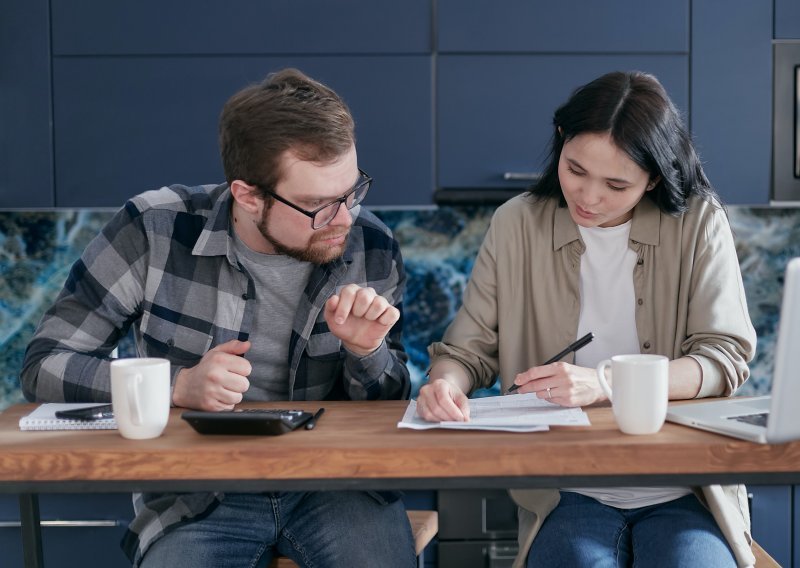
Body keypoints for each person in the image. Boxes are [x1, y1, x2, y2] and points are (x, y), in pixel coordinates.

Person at [21, 68, 416, 567]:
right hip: (195, 492)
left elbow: (391, 407)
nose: (345, 218)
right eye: (319, 205)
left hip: (335, 482)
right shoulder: (153, 230)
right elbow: (45, 366)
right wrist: (176, 386)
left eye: (352, 191)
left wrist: (367, 352)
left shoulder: (371, 245)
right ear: (248, 195)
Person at [416, 71, 757, 568]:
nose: (589, 197)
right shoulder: (517, 223)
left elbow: (723, 360)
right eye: (575, 169)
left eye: (617, 184)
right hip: (566, 488)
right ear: (560, 141)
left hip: (685, 486)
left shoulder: (700, 223)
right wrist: (445, 384)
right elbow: (469, 350)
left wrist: (605, 382)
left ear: (654, 178)